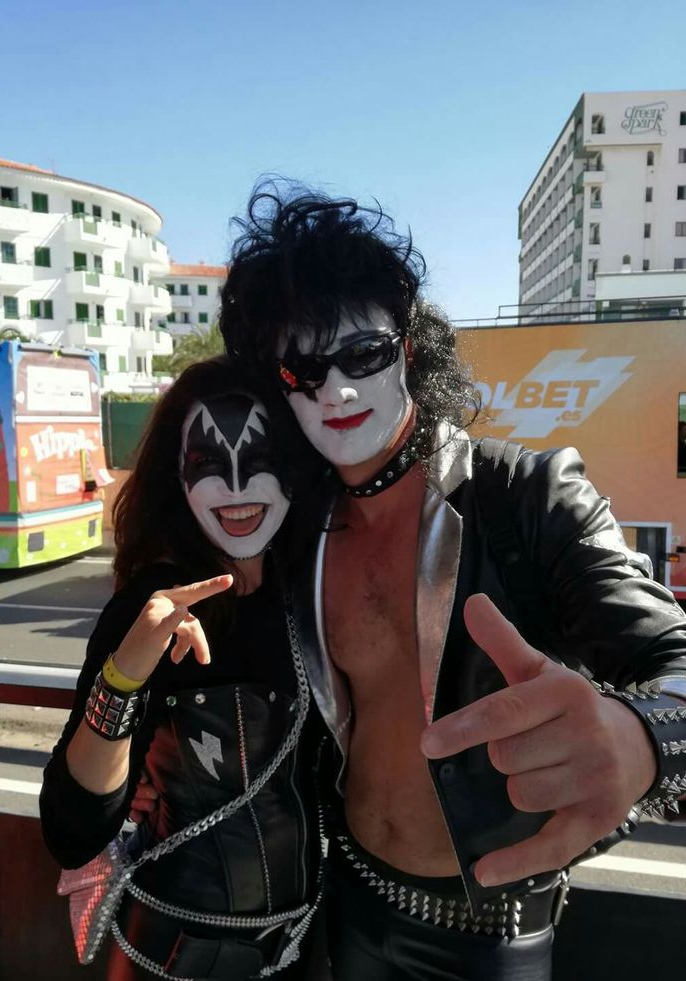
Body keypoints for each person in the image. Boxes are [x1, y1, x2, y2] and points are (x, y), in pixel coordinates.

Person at [218, 183, 686, 981]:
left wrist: (644, 738)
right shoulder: (294, 531)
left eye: (361, 354)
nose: (336, 391)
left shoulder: (526, 496)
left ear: (405, 349)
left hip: (494, 929)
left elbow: (674, 661)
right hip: (343, 904)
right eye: (304, 369)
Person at [40, 357, 327, 980]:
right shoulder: (154, 606)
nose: (235, 488)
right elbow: (72, 829)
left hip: (306, 943)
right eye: (206, 466)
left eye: (259, 460)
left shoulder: (315, 583)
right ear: (177, 476)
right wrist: (125, 677)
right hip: (174, 950)